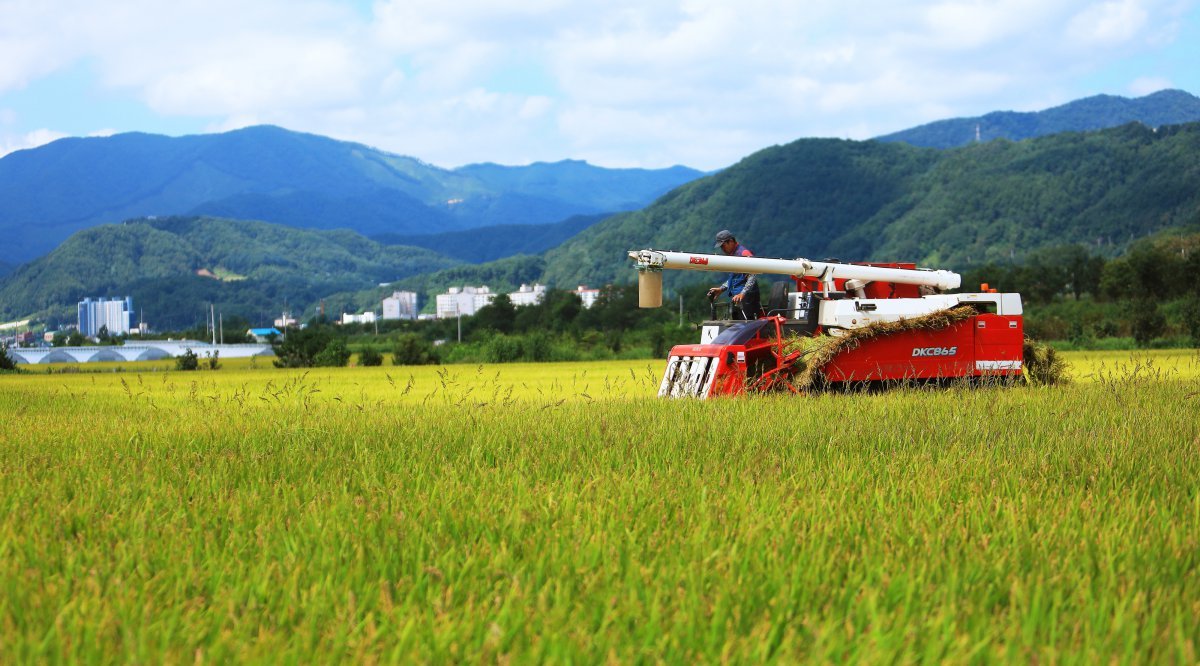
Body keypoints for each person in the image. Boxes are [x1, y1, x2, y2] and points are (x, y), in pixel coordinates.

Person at [707, 229, 761, 320]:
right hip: (737, 297)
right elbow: (735, 277)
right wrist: (721, 289)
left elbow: (752, 275)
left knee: (746, 326)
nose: (722, 249)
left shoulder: (744, 253)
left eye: (723, 246)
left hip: (747, 298)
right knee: (736, 325)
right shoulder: (733, 255)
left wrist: (742, 294)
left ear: (731, 241)